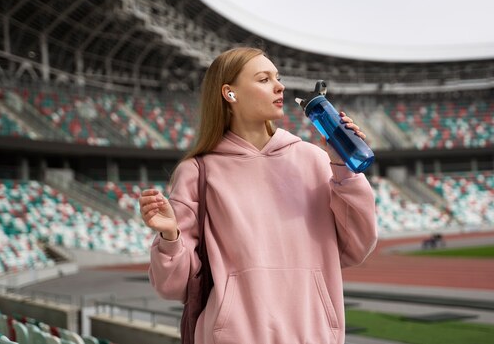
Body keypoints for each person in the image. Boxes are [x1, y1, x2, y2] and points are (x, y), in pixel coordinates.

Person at [139, 47, 377, 344]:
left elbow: (358, 247)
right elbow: (172, 287)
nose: (280, 86)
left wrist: (344, 168)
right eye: (264, 79)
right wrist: (170, 237)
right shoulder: (197, 172)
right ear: (230, 93)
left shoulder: (316, 160)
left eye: (277, 78)